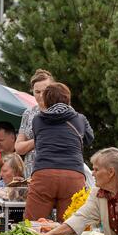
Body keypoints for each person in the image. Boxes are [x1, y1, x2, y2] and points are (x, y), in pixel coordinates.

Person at [23, 83, 94, 222]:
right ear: (68, 99)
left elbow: (37, 140)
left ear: (46, 100)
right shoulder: (80, 119)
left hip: (44, 175)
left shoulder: (38, 119)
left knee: (33, 226)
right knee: (70, 227)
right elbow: (89, 138)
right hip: (73, 175)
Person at [15, 69, 55, 178]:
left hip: (54, 171)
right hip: (31, 173)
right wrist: (38, 138)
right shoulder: (28, 113)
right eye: (37, 92)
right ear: (32, 91)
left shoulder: (63, 111)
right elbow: (18, 148)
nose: (41, 95)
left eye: (45, 91)